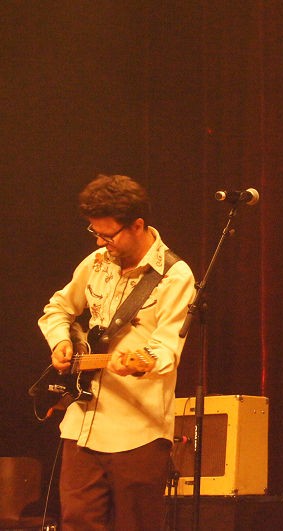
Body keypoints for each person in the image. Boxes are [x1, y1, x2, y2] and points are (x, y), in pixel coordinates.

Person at [38, 174, 195, 531]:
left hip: (138, 430)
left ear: (137, 225)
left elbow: (167, 348)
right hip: (81, 423)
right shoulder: (96, 262)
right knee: (76, 522)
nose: (100, 242)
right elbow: (58, 308)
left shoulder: (175, 276)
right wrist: (60, 341)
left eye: (108, 235)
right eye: (95, 233)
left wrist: (141, 363)